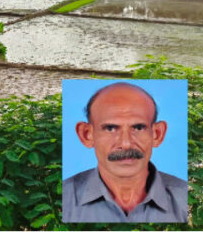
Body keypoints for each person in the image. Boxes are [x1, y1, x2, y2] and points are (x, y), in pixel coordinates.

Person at [62, 82, 187, 223]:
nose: (126, 144)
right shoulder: (62, 198)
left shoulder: (186, 197)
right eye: (110, 128)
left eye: (138, 128)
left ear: (157, 134)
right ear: (86, 135)